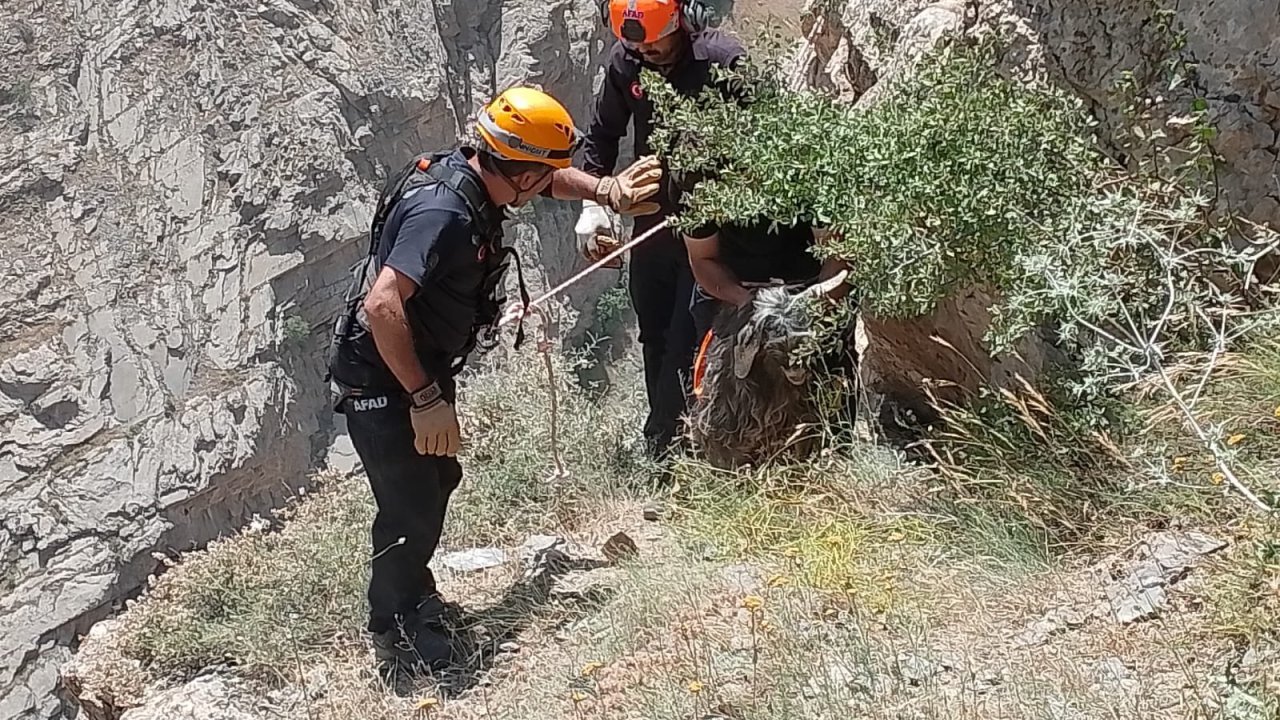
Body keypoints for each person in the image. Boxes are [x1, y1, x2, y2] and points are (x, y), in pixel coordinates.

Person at [325, 86, 662, 674]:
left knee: (436, 481)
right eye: (544, 171)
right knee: (409, 505)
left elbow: (549, 178)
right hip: (387, 379)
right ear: (519, 168)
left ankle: (415, 599)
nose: (550, 181)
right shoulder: (444, 214)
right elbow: (382, 306)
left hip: (411, 368)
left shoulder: (476, 175)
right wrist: (424, 397)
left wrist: (604, 189)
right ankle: (396, 630)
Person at [571, 0, 747, 460]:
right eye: (637, 41)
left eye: (655, 39)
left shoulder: (723, 62)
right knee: (654, 333)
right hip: (650, 223)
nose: (647, 49)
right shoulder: (628, 61)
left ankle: (677, 443)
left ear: (682, 20)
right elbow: (603, 133)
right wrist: (597, 202)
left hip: (709, 230)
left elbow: (764, 138)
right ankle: (669, 439)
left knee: (689, 337)